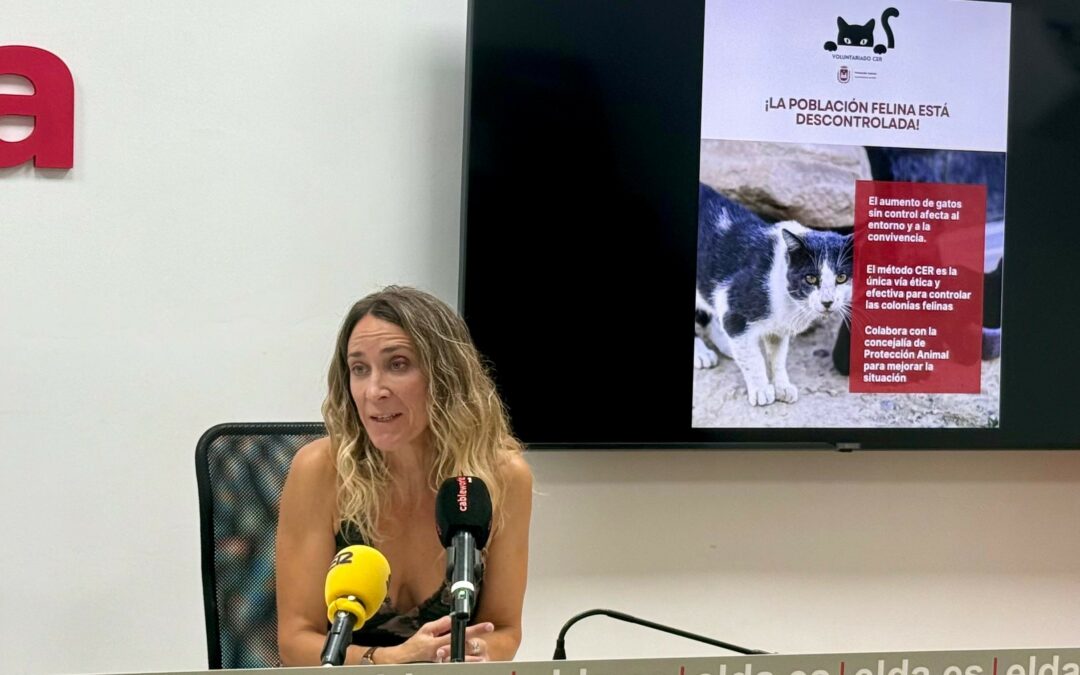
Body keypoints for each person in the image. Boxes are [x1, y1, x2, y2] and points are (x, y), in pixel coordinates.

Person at [276, 285, 532, 665]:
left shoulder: (501, 477)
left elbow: (504, 629)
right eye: (359, 369)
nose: (373, 391)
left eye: (397, 364)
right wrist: (388, 660)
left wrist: (473, 652)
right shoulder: (321, 470)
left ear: (445, 376)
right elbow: (296, 642)